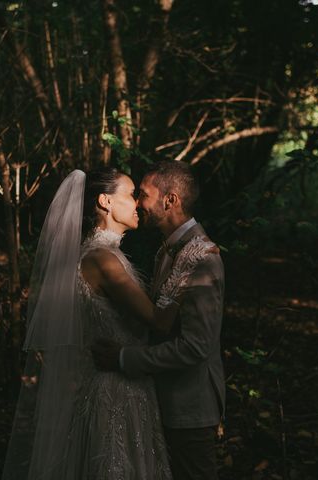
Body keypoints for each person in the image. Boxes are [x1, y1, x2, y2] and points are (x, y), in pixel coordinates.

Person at [2, 167, 189, 480]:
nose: (139, 204)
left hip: (120, 381)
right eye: (131, 195)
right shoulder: (102, 259)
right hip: (116, 388)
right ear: (106, 202)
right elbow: (158, 321)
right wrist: (188, 265)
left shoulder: (97, 254)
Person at [92, 160, 226, 480]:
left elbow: (195, 347)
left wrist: (125, 357)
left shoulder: (203, 257)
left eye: (144, 194)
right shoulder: (166, 251)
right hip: (158, 398)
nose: (138, 202)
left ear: (170, 200)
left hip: (189, 405)